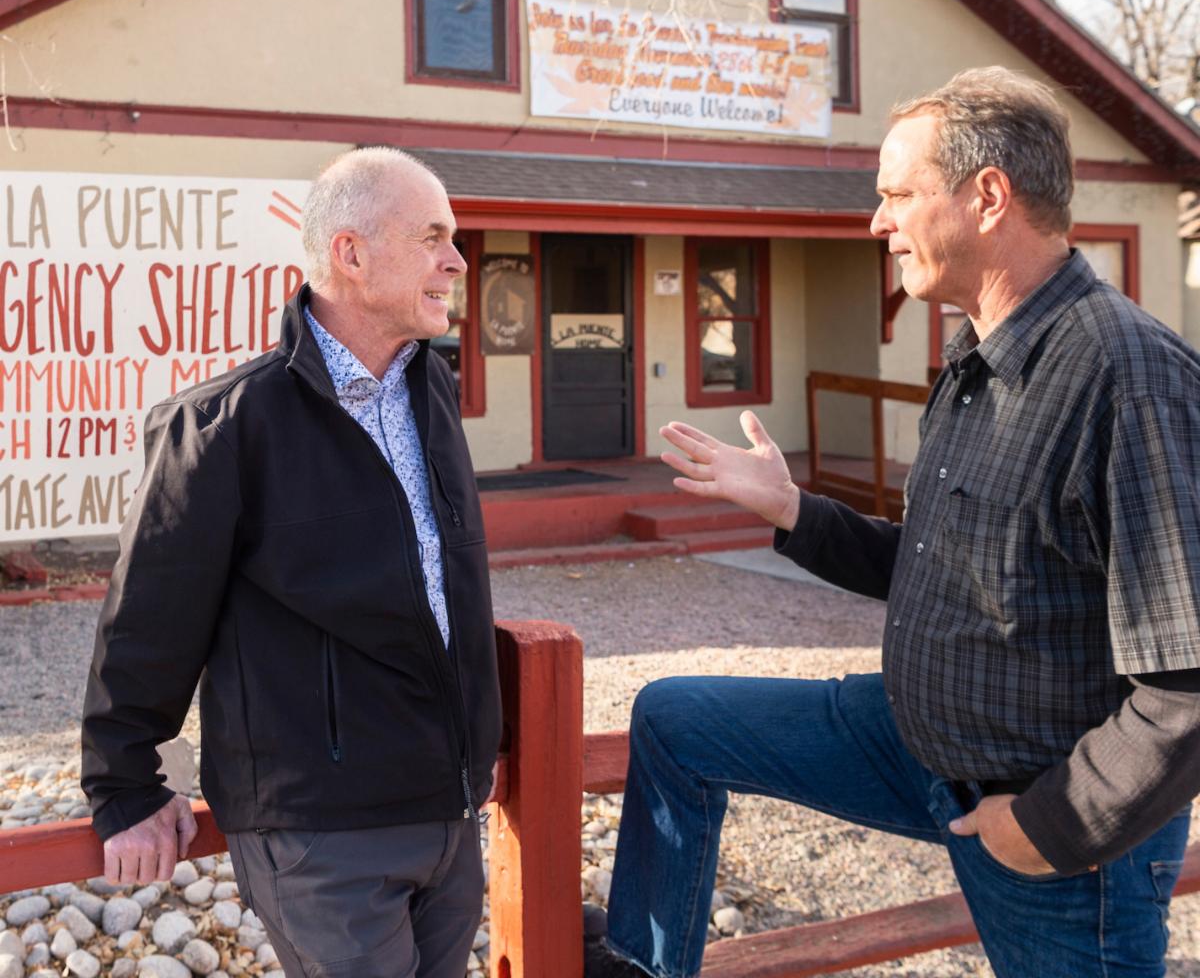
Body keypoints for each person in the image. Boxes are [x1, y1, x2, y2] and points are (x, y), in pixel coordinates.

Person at [586, 68, 1200, 978]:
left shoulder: (1130, 377)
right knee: (676, 720)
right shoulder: (977, 359)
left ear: (987, 196)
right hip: (910, 744)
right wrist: (792, 509)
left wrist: (1051, 827)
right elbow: (939, 565)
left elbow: (1187, 687)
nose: (877, 222)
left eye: (898, 195)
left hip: (1044, 822)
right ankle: (645, 966)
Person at [82, 147, 501, 978]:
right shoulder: (221, 426)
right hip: (322, 833)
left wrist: (484, 747)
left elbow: (442, 586)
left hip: (451, 816)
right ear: (350, 254)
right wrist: (125, 788)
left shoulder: (433, 392)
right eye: (432, 238)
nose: (456, 261)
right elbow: (149, 622)